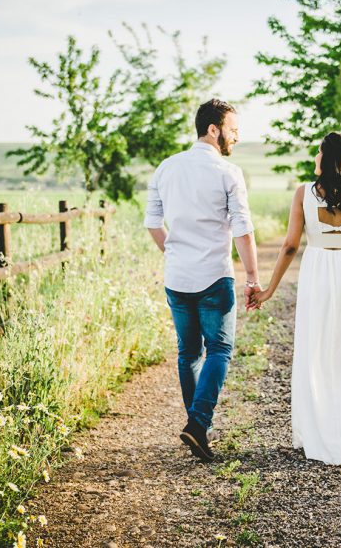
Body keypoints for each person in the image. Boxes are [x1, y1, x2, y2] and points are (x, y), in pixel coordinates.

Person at [252, 131, 341, 465]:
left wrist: (269, 290)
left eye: (319, 151)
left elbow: (290, 246)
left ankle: (320, 430)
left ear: (328, 158)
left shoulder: (303, 193)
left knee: (316, 351)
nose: (315, 157)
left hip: (318, 273)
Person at [144, 99, 261, 462]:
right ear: (213, 129)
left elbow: (152, 222)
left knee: (188, 352)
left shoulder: (166, 168)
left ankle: (199, 429)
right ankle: (198, 424)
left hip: (177, 277)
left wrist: (174, 253)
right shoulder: (229, 173)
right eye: (234, 130)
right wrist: (253, 277)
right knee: (220, 350)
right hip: (214, 276)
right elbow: (242, 229)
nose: (237, 137)